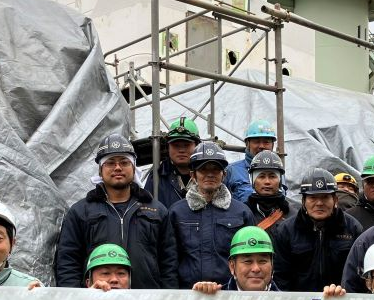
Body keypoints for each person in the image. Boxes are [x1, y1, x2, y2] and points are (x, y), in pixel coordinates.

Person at [55, 133, 178, 289]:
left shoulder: (157, 211)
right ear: (100, 170)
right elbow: (67, 261)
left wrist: (168, 297)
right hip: (97, 299)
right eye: (110, 163)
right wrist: (77, 297)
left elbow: (169, 263)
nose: (118, 168)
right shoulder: (80, 212)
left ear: (134, 168)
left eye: (124, 162)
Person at [171, 141, 255, 288]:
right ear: (193, 175)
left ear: (224, 174)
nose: (210, 174)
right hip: (187, 295)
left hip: (229, 295)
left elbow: (250, 258)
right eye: (203, 169)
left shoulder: (242, 212)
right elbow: (169, 260)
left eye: (216, 169)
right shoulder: (177, 212)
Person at [273, 169, 363, 292]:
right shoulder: (285, 231)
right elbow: (280, 277)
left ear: (335, 200)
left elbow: (358, 276)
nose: (319, 203)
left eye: (325, 197)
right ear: (303, 201)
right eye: (313, 197)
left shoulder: (353, 228)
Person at [193, 226, 347, 297]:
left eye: (262, 261)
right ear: (232, 266)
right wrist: (200, 297)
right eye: (247, 261)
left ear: (273, 265)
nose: (256, 268)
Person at [144, 116, 201, 208]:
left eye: (186, 145)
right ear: (168, 147)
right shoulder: (155, 178)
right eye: (176, 145)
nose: (181, 150)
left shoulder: (212, 175)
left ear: (197, 146)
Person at [225, 119, 277, 202]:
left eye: (266, 142)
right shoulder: (231, 170)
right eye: (256, 142)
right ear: (247, 144)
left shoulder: (278, 171)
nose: (261, 146)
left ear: (272, 145)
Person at [245, 150, 297, 232]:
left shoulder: (293, 216)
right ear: (253, 181)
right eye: (261, 176)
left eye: (272, 176)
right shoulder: (242, 213)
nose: (267, 182)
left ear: (280, 181)